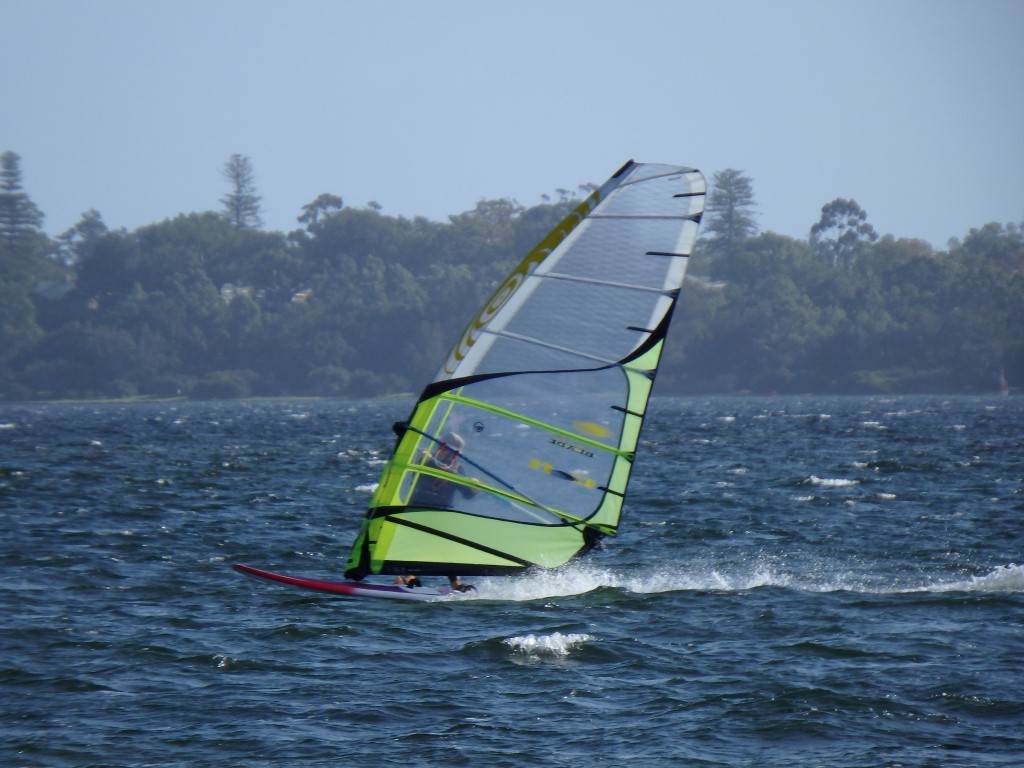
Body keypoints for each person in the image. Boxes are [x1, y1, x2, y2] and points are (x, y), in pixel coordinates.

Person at [396, 431, 478, 592]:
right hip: (417, 510)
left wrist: (474, 487)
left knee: (446, 548)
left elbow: (467, 495)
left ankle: (455, 584)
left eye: (455, 452)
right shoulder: (426, 460)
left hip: (442, 513)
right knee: (413, 544)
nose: (451, 455)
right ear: (440, 448)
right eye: (448, 450)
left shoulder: (458, 469)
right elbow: (416, 472)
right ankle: (407, 577)